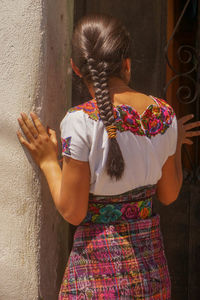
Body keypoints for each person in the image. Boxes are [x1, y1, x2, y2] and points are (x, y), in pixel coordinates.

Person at [17, 14, 200, 300]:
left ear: (76, 68)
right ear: (126, 64)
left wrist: (48, 161)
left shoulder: (79, 121)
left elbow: (73, 211)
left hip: (96, 282)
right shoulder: (164, 114)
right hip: (152, 280)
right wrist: (173, 143)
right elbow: (169, 194)